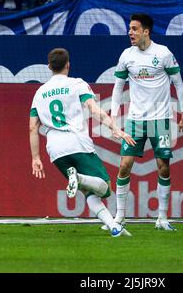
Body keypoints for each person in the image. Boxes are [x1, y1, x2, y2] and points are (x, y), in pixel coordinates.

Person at [29, 48, 136, 237]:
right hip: (76, 142)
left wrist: (35, 158)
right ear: (68, 65)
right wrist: (115, 128)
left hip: (54, 149)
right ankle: (77, 178)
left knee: (89, 192)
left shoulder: (39, 92)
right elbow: (94, 110)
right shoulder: (77, 84)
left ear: (49, 67)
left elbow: (32, 127)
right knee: (104, 186)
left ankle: (114, 227)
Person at [109, 13, 183, 231]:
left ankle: (162, 218)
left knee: (163, 167)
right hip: (135, 121)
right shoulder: (127, 55)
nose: (130, 32)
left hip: (161, 120)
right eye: (130, 28)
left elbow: (179, 85)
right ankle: (119, 217)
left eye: (135, 29)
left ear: (146, 31)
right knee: (125, 165)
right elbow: (118, 88)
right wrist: (113, 117)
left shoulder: (163, 53)